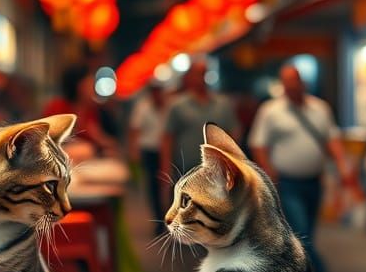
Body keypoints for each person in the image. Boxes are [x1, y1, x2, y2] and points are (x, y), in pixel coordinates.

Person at [248, 63, 351, 272]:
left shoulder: (320, 108)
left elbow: (331, 139)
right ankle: (317, 270)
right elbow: (258, 144)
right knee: (300, 227)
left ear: (302, 82)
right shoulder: (271, 111)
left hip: (314, 180)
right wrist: (268, 174)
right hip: (287, 182)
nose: (291, 86)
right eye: (286, 82)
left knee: (309, 230)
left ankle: (297, 271)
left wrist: (343, 165)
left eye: (294, 81)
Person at [161, 59, 239, 186]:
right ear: (189, 77)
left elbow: (233, 133)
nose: (200, 78)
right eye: (197, 74)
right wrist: (166, 171)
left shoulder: (223, 104)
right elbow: (168, 139)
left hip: (217, 171)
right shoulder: (177, 105)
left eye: (203, 73)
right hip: (187, 171)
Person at [42, 64, 119, 157]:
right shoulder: (57, 107)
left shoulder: (91, 111)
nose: (94, 89)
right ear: (79, 86)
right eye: (90, 84)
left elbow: (106, 143)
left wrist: (99, 138)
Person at [128, 82, 170, 234]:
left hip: (165, 150)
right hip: (149, 150)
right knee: (153, 186)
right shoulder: (143, 107)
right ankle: (158, 220)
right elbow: (134, 129)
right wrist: (134, 152)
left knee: (168, 185)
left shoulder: (169, 106)